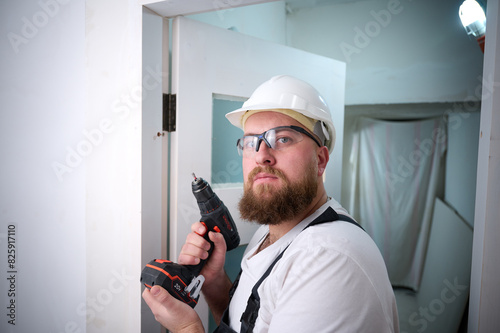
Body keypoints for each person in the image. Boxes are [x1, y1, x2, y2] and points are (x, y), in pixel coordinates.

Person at [143, 75, 399, 332]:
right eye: (251, 142)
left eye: (283, 139)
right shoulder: (271, 231)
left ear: (320, 160)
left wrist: (187, 327)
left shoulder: (329, 259)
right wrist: (215, 282)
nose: (261, 155)